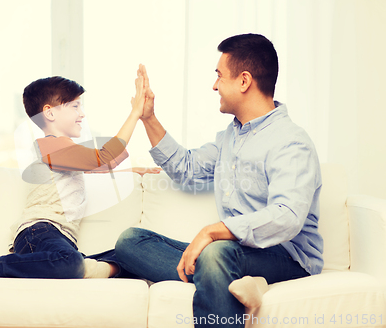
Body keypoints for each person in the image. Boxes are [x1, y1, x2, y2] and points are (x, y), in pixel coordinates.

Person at [115, 34, 324, 327]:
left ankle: (231, 274)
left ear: (244, 81)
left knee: (214, 255)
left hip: (286, 256)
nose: (214, 86)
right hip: (236, 253)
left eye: (219, 76)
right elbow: (185, 168)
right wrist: (148, 117)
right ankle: (244, 281)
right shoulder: (230, 137)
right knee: (130, 241)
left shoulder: (291, 142)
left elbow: (287, 217)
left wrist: (214, 232)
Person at [0, 65, 159, 279]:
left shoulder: (65, 153)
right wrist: (135, 113)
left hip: (59, 239)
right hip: (38, 232)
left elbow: (99, 166)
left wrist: (137, 171)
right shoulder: (49, 146)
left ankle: (81, 266)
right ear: (50, 112)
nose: (82, 113)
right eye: (75, 106)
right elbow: (104, 158)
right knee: (69, 262)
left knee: (131, 256)